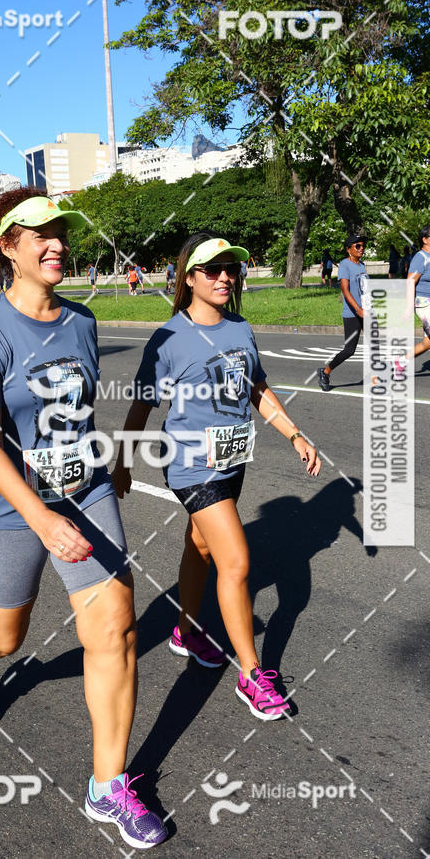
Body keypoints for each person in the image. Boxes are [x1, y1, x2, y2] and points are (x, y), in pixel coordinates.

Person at [0, 189, 167, 849]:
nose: (55, 243)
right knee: (3, 636)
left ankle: (109, 785)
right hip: (8, 508)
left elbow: (77, 416)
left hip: (86, 489)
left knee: (116, 631)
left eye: (61, 232)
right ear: (7, 246)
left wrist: (110, 470)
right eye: (37, 233)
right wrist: (42, 520)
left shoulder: (80, 322)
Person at [112, 232, 321, 720]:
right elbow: (143, 401)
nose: (226, 277)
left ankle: (185, 630)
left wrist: (295, 434)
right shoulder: (169, 338)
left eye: (232, 269)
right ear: (189, 278)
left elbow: (257, 388)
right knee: (237, 561)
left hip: (232, 460)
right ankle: (252, 676)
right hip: (190, 466)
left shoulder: (240, 329)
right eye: (213, 270)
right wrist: (122, 459)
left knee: (200, 547)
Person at [318, 235, 369, 392]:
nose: (361, 249)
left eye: (363, 246)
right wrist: (358, 309)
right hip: (352, 313)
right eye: (357, 246)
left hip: (365, 312)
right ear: (349, 249)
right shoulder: (345, 265)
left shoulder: (362, 265)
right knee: (349, 350)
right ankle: (325, 372)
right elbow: (345, 291)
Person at [394, 225, 430, 378]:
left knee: (427, 343)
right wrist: (409, 308)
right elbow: (409, 282)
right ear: (425, 239)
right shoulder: (420, 257)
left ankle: (401, 361)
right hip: (423, 303)